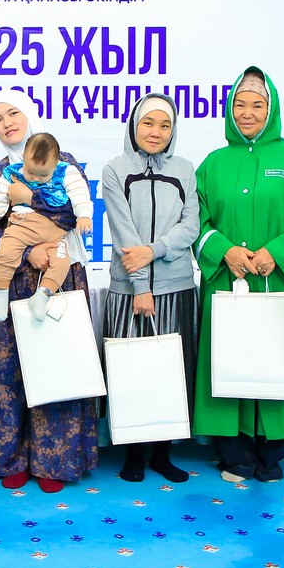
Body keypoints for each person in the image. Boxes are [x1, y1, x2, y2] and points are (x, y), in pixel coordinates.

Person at [192, 67, 284, 482]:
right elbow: (195, 219)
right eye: (240, 104)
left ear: (272, 110)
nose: (247, 113)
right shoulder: (213, 163)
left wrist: (277, 252)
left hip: (279, 283)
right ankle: (233, 453)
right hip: (226, 281)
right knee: (226, 356)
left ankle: (270, 454)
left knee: (275, 358)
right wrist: (223, 249)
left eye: (257, 105)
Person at [0, 89, 99, 492]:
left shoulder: (64, 163)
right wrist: (28, 252)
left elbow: (74, 212)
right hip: (10, 281)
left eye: (13, 113)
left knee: (55, 365)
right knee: (7, 371)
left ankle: (53, 460)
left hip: (56, 277)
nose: (6, 123)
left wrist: (29, 197)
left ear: (29, 115)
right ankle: (10, 457)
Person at [99, 92, 200, 484]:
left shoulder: (185, 169)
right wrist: (140, 285)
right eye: (148, 123)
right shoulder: (115, 169)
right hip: (130, 290)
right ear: (134, 126)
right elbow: (123, 230)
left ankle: (162, 453)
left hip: (176, 287)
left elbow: (191, 225)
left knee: (170, 371)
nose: (156, 132)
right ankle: (133, 453)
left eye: (165, 125)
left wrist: (155, 250)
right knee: (132, 371)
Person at [0, 131, 93, 321]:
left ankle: (42, 295)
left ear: (56, 163)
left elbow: (80, 194)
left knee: (62, 262)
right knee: (5, 254)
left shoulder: (67, 171)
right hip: (22, 225)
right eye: (30, 172)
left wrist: (84, 215)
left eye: (43, 175)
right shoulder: (11, 173)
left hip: (55, 233)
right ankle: (1, 294)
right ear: (23, 158)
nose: (35, 179)